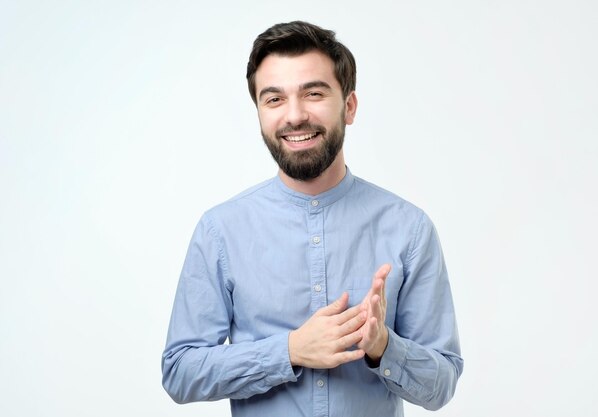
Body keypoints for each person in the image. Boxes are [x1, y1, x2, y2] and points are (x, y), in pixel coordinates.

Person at [162, 21, 463, 416]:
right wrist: (289, 351)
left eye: (314, 93)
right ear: (259, 112)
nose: (295, 116)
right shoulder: (220, 231)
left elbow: (441, 385)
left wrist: (383, 347)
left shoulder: (409, 229)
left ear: (349, 106)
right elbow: (180, 372)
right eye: (274, 100)